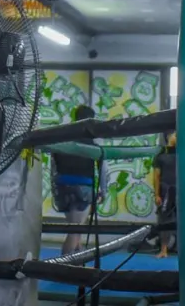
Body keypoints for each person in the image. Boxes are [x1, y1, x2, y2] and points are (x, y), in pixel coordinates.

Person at [49, 105, 107, 256]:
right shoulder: (92, 142)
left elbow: (53, 165)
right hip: (83, 187)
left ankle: (77, 261)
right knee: (75, 231)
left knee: (75, 228)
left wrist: (54, 186)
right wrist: (104, 190)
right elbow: (103, 168)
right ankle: (64, 264)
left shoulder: (62, 139)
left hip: (62, 186)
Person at [153, 132, 177, 258]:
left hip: (181, 191)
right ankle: (163, 250)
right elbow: (156, 176)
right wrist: (157, 194)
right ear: (168, 137)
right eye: (175, 135)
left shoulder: (184, 155)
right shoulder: (161, 156)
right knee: (164, 221)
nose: (177, 138)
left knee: (184, 221)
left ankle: (180, 248)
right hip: (166, 191)